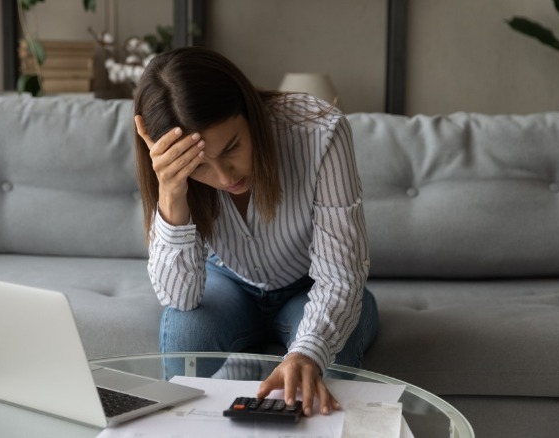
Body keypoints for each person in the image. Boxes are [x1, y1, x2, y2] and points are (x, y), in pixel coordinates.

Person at [132, 47, 378, 417]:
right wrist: (171, 191)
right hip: (228, 283)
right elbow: (178, 297)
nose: (226, 177)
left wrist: (306, 351)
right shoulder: (174, 176)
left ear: (249, 110)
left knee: (327, 356)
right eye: (199, 167)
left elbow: (340, 277)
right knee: (185, 329)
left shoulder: (321, 132)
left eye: (232, 147)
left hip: (309, 287)